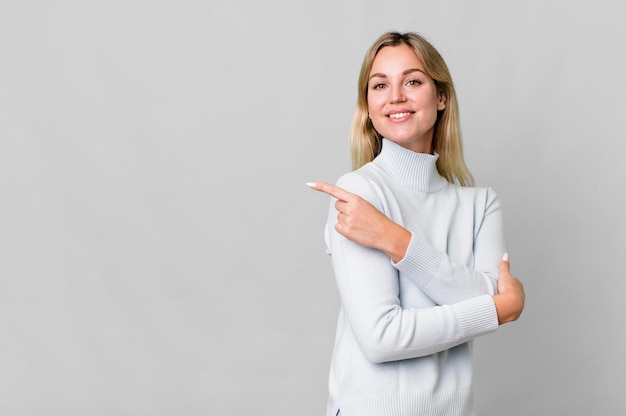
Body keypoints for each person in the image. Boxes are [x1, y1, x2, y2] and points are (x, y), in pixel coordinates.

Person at [307, 31, 525, 416]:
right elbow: (381, 338)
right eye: (380, 85)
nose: (395, 96)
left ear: (441, 97)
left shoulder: (480, 204)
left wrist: (395, 240)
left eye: (412, 80)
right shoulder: (358, 193)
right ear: (368, 106)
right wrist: (492, 310)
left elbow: (489, 293)